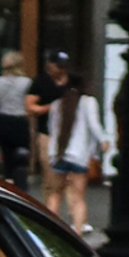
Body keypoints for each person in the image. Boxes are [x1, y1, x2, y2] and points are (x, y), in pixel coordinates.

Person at [40, 77, 109, 235]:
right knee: (77, 198)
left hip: (58, 154)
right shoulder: (88, 102)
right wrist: (103, 141)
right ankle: (77, 233)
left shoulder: (57, 104)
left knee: (55, 194)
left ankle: (51, 231)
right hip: (78, 155)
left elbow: (51, 129)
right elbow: (94, 125)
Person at [0, 52, 33, 186]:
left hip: (4, 121)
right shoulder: (27, 82)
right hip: (20, 121)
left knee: (7, 157)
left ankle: (8, 181)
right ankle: (21, 184)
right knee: (21, 156)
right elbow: (29, 105)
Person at [25, 53, 72, 176]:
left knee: (70, 177)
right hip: (47, 133)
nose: (62, 70)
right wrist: (51, 107)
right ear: (49, 65)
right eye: (59, 66)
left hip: (70, 134)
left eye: (64, 67)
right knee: (50, 173)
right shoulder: (41, 82)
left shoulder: (73, 82)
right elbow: (30, 107)